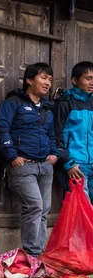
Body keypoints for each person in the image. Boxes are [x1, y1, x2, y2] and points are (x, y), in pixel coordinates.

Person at [0, 63, 58, 258]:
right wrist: (12, 156)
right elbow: (2, 130)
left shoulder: (47, 109)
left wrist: (54, 154)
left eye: (49, 78)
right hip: (24, 167)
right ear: (29, 80)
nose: (47, 82)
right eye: (43, 78)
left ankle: (37, 255)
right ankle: (33, 254)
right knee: (34, 206)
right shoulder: (12, 104)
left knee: (44, 210)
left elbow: (52, 136)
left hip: (45, 167)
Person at [55, 61, 93, 200]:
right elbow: (57, 135)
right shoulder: (65, 103)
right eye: (88, 78)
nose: (92, 82)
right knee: (82, 209)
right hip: (76, 165)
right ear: (75, 80)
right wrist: (67, 163)